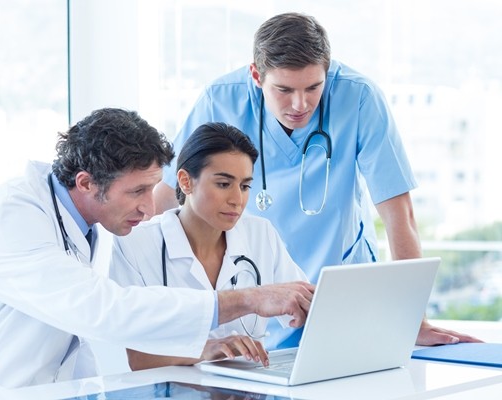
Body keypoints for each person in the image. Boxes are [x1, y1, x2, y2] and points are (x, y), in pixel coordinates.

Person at [0, 108, 314, 398]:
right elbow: (103, 309)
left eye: (151, 188)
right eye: (137, 192)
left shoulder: (89, 225)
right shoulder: (11, 216)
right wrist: (247, 299)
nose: (149, 206)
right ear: (87, 182)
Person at [152, 12, 480, 347]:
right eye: (283, 89)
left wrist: (414, 318)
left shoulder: (359, 98)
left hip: (344, 286)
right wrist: (163, 303)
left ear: (328, 70)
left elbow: (399, 214)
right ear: (256, 74)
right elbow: (168, 196)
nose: (300, 104)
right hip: (259, 287)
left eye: (313, 87)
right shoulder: (220, 99)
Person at [109, 122, 313, 371]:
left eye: (245, 186)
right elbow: (135, 358)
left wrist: (312, 310)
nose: (237, 200)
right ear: (185, 181)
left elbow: (308, 308)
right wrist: (206, 349)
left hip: (249, 389)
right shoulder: (133, 244)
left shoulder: (260, 234)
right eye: (224, 184)